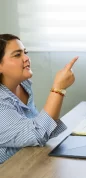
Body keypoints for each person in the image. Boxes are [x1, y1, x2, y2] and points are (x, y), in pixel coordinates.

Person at [0, 34, 78, 164]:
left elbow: (43, 130)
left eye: (25, 52)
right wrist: (58, 89)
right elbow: (36, 133)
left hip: (27, 163)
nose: (26, 58)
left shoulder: (24, 85)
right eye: (17, 55)